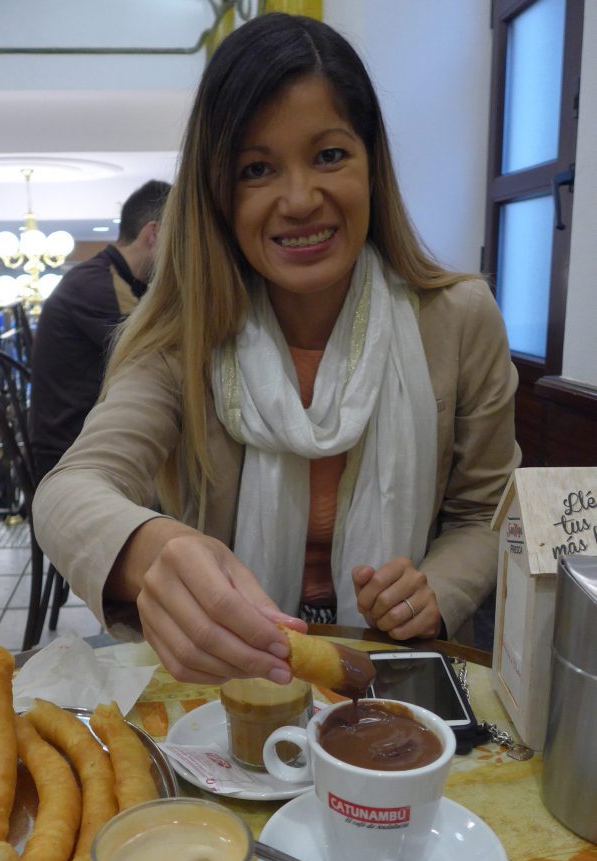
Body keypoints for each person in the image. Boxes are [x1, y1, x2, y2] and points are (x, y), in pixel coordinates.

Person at [34, 13, 520, 687]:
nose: (299, 200)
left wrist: (436, 587)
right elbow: (68, 491)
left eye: (328, 155)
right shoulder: (183, 339)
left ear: (370, 164)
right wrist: (156, 550)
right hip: (225, 680)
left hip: (396, 675)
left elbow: (486, 514)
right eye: (256, 169)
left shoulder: (458, 319)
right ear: (218, 195)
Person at [29, 179, 171, 479]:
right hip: (72, 458)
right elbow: (160, 358)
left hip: (84, 443)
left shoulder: (114, 280)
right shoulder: (98, 286)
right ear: (154, 233)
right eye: (182, 237)